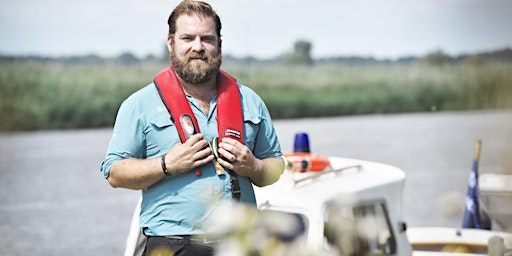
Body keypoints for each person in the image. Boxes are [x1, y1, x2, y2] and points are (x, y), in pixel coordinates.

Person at [100, 1, 284, 255]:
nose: (198, 47)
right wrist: (166, 164)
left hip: (241, 244)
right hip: (173, 244)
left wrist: (253, 166)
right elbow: (114, 173)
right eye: (188, 38)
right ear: (171, 42)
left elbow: (276, 166)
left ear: (219, 43)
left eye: (207, 38)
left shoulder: (249, 100)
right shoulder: (139, 105)